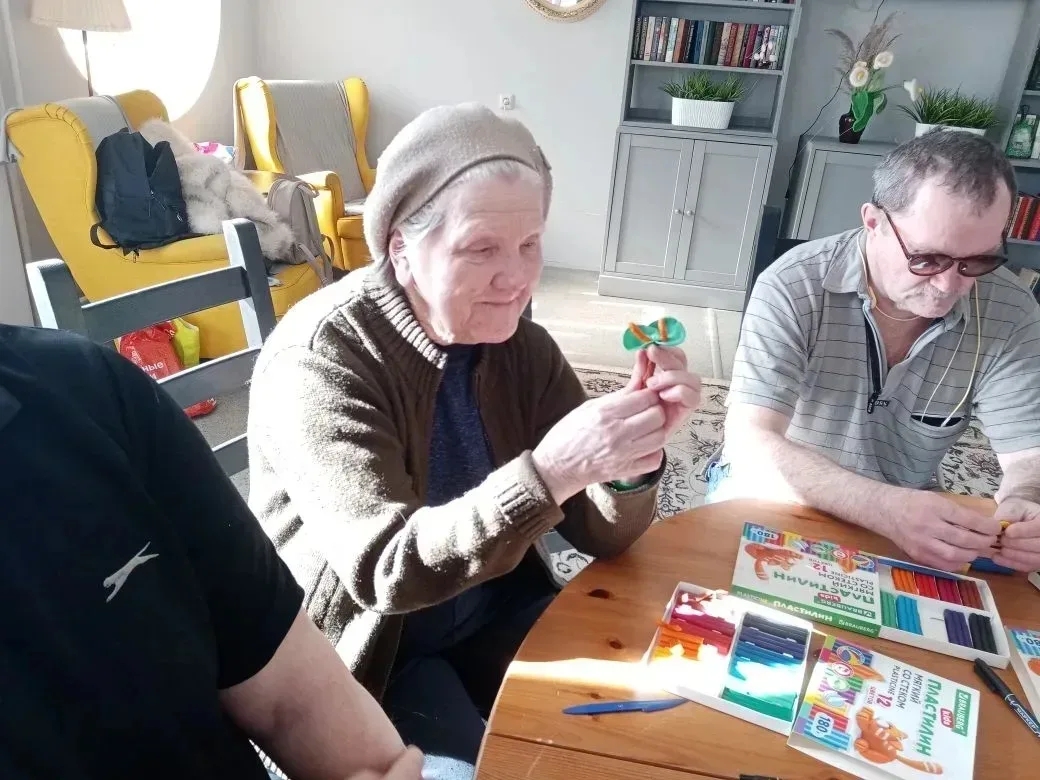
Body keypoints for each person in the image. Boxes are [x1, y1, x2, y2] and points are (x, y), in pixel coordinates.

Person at [247, 103, 702, 779]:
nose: (516, 279)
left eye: (530, 244)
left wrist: (631, 458)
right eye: (481, 248)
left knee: (668, 727)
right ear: (401, 247)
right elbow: (385, 573)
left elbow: (602, 537)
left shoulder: (523, 350)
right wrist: (550, 472)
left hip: (493, 612)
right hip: (374, 658)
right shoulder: (322, 360)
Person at [0, 324, 422, 780]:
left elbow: (288, 689)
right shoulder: (324, 352)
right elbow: (385, 564)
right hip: (394, 645)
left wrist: (383, 769)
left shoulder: (87, 386)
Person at [709, 130, 1040, 574]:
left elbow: (1029, 453)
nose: (950, 285)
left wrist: (1025, 498)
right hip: (782, 491)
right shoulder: (793, 285)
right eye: (927, 259)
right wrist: (884, 508)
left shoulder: (1011, 309)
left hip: (908, 510)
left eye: (979, 261)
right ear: (873, 222)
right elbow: (749, 443)